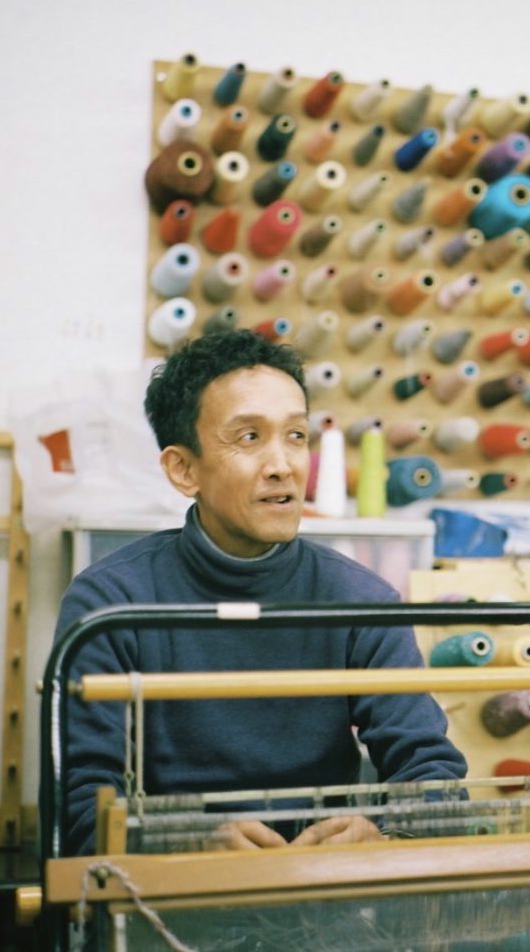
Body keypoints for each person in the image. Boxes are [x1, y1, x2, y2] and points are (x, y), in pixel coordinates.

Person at [53, 329, 467, 856]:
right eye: (249, 437)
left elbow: (430, 771)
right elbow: (81, 810)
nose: (283, 465)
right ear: (183, 469)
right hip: (166, 893)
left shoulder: (361, 600)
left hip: (319, 886)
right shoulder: (109, 604)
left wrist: (386, 834)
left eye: (295, 435)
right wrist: (184, 844)